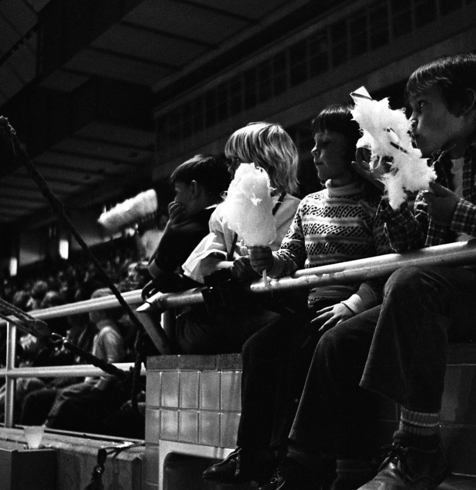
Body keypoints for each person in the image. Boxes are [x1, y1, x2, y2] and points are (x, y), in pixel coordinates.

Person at [264, 53, 476, 490]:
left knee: (410, 283)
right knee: (338, 340)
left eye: (422, 105)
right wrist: (389, 187)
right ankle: (307, 466)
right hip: (438, 294)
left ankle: (416, 449)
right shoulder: (436, 167)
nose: (411, 118)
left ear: (465, 102)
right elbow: (412, 246)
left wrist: (461, 212)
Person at [202, 105, 390, 486]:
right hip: (313, 306)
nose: (315, 154)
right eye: (314, 145)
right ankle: (251, 456)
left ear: (354, 149)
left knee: (301, 353)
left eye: (325, 145)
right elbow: (290, 257)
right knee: (258, 347)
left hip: (352, 306)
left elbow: (388, 262)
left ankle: (292, 462)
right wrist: (266, 259)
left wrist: (356, 302)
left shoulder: (377, 205)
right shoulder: (309, 204)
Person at [174, 122, 302, 354]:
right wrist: (234, 267)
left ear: (264, 161)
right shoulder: (222, 213)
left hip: (274, 308)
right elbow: (205, 262)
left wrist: (265, 264)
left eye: (236, 160)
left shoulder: (296, 209)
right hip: (231, 307)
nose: (230, 169)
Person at [42, 288, 128, 433]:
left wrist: (100, 386)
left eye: (91, 308)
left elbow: (114, 362)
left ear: (100, 310)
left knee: (65, 393)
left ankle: (49, 426)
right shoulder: (104, 331)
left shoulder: (108, 332)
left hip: (97, 382)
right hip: (94, 380)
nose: (89, 312)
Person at [145, 154, 232, 290]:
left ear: (193, 188)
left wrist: (170, 226)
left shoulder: (183, 232)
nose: (175, 200)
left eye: (178, 191)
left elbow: (153, 271)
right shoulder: (237, 218)